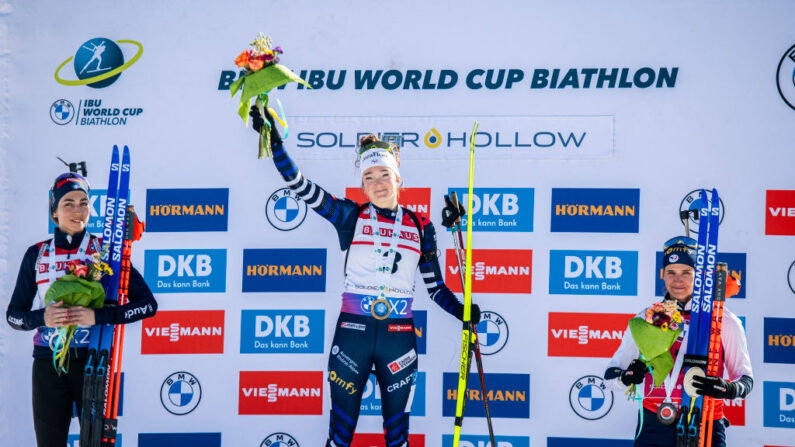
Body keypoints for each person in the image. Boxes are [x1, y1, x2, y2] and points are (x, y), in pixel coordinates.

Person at [251, 107, 480, 447]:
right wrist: (275, 141)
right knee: (340, 436)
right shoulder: (349, 216)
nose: (377, 184)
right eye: (369, 177)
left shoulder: (421, 226)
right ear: (362, 184)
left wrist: (463, 311)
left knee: (397, 437)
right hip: (352, 338)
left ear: (398, 178)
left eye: (384, 175)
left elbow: (435, 289)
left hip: (398, 340)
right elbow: (297, 183)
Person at [6, 172, 158, 447]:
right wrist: (42, 317)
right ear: (54, 210)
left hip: (93, 362)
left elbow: (147, 305)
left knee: (95, 443)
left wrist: (97, 317)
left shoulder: (105, 251)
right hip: (47, 363)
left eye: (84, 202)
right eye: (68, 203)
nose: (78, 210)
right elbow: (13, 316)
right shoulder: (37, 254)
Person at [604, 236, 753, 447]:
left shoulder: (723, 320)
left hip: (705, 424)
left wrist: (727, 389)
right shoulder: (646, 318)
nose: (677, 280)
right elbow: (610, 376)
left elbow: (746, 380)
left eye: (686, 273)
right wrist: (628, 377)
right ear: (663, 275)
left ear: (699, 275)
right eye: (671, 272)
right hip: (655, 424)